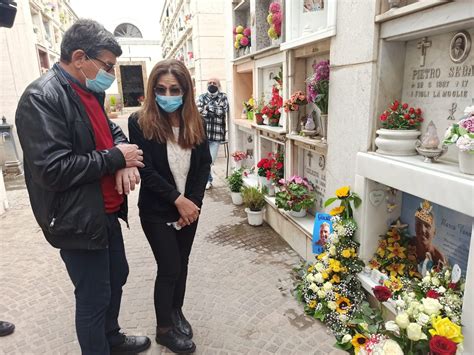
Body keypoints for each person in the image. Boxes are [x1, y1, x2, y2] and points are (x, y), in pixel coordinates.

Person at [15, 19, 150, 355]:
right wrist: (114, 159)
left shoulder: (91, 91)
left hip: (104, 210)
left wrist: (122, 158)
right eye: (107, 65)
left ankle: (111, 337)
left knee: (117, 274)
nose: (110, 73)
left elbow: (110, 133)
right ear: (79, 57)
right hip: (76, 217)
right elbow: (52, 170)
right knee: (92, 296)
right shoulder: (41, 97)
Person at [129, 59, 211, 354]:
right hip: (157, 210)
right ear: (153, 90)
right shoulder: (140, 122)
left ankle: (176, 312)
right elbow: (146, 171)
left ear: (185, 90)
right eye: (161, 89)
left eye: (174, 89)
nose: (168, 94)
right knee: (169, 267)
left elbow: (204, 166)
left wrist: (193, 204)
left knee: (182, 264)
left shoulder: (195, 121)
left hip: (190, 209)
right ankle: (164, 329)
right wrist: (179, 201)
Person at [197, 77, 228, 189]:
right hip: (202, 135)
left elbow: (222, 111)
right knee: (203, 160)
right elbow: (199, 111)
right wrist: (213, 109)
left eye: (214, 83)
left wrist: (207, 109)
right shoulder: (202, 97)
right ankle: (208, 180)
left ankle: (207, 179)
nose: (211, 84)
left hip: (216, 135)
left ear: (218, 85)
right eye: (209, 83)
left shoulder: (223, 97)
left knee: (210, 160)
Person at [414, 200, 446, 269]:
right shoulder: (409, 243)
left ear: (434, 232)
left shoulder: (439, 258)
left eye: (427, 226)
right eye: (418, 224)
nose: (422, 230)